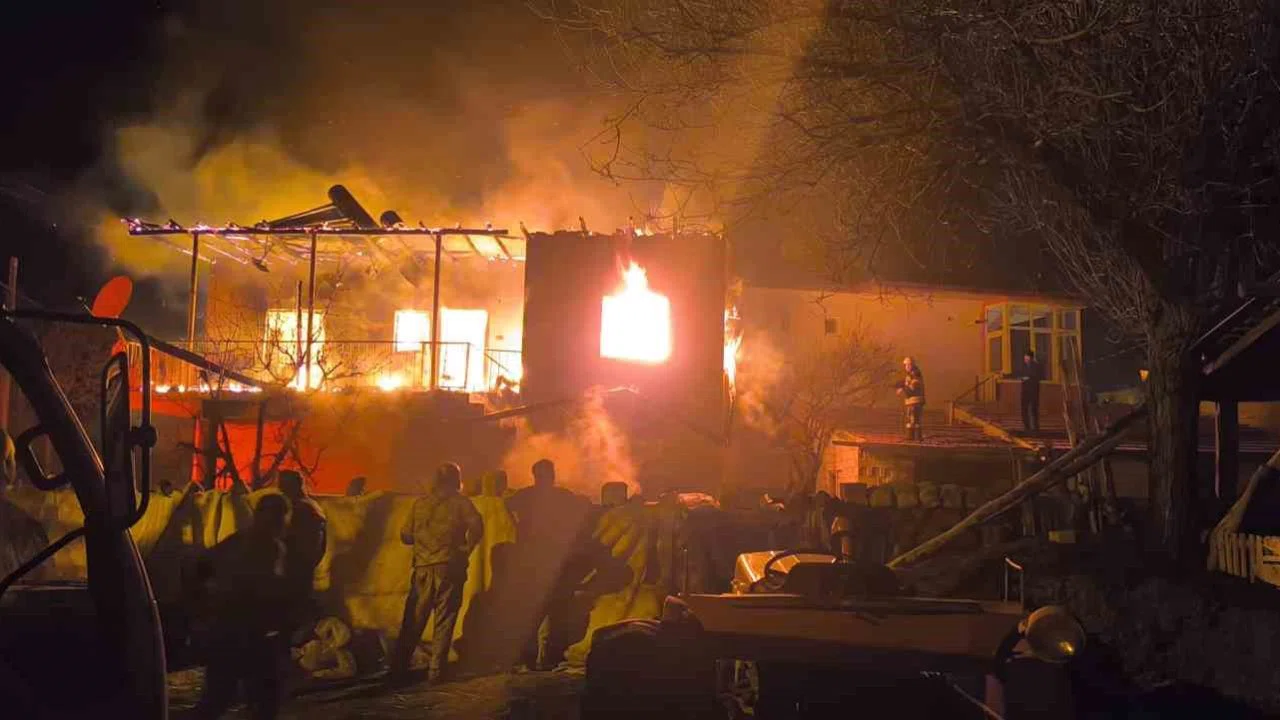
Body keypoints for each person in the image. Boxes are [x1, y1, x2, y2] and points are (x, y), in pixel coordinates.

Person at [194, 494, 292, 720]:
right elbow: (269, 589)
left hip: (233, 629)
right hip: (246, 632)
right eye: (278, 516)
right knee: (261, 700)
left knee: (222, 697)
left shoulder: (240, 540)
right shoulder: (269, 547)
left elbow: (203, 565)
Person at [389, 462, 484, 685]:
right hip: (449, 567)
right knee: (444, 619)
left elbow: (405, 536)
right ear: (456, 480)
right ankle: (436, 672)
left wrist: (424, 537)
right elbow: (477, 527)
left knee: (413, 621)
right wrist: (466, 549)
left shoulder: (420, 504)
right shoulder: (461, 503)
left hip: (422, 569)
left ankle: (398, 670)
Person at [505, 459, 591, 670]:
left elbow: (506, 506)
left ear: (534, 475)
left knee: (530, 610)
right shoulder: (563, 496)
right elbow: (582, 511)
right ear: (552, 475)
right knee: (555, 611)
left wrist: (518, 527)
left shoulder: (524, 495)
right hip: (554, 561)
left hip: (530, 561)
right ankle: (548, 658)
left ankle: (527, 659)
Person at [278, 470, 327, 637]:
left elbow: (289, 538)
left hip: (295, 567)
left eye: (282, 485)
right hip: (303, 566)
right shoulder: (311, 506)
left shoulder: (299, 508)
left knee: (293, 615)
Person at [895, 357, 926, 441]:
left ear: (912, 365)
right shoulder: (912, 374)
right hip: (913, 401)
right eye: (906, 365)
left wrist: (903, 388)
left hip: (915, 400)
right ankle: (913, 437)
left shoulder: (915, 375)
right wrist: (899, 385)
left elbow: (913, 388)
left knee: (913, 419)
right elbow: (907, 384)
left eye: (908, 365)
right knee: (912, 419)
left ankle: (914, 437)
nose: (906, 367)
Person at [1019, 350, 1044, 433]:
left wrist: (1029, 378)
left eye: (1027, 357)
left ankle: (1035, 427)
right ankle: (1027, 427)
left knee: (1034, 409)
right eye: (1025, 357)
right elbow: (1019, 374)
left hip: (1033, 391)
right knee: (1024, 409)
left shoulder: (1037, 366)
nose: (1025, 359)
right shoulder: (1023, 366)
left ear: (1031, 358)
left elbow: (1040, 376)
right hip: (1025, 391)